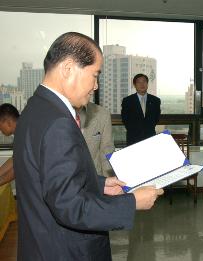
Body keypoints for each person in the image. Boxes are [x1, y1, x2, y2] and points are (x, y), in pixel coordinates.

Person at [13, 32, 163, 261]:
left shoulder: (35, 109)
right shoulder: (58, 123)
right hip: (66, 250)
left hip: (42, 243)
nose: (95, 85)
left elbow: (52, 182)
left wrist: (99, 184)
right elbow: (69, 206)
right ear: (68, 68)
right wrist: (132, 202)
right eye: (94, 75)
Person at [77, 102, 115, 177]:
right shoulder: (54, 111)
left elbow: (106, 150)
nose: (94, 89)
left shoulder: (102, 114)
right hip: (62, 182)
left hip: (95, 179)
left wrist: (109, 180)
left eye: (95, 88)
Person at [121, 73, 161, 145]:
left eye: (144, 81)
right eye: (139, 82)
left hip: (150, 138)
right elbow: (125, 120)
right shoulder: (127, 101)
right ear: (135, 85)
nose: (142, 84)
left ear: (147, 84)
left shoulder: (155, 100)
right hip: (133, 139)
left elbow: (156, 119)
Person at [0, 103, 18, 186]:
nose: (0, 130)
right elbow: (15, 159)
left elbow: (18, 168)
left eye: (0, 127)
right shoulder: (20, 134)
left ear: (8, 122)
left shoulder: (24, 136)